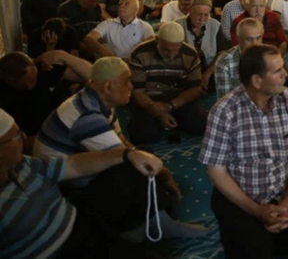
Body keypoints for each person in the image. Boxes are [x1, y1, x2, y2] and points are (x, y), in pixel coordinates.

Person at [32, 57, 207, 240]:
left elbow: (122, 141)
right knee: (134, 167)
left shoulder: (97, 100)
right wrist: (165, 176)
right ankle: (153, 224)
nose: (131, 86)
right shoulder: (86, 116)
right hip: (67, 196)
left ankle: (148, 218)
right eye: (127, 82)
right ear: (108, 87)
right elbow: (126, 156)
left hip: (80, 175)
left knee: (144, 155)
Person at [200, 45, 288, 259]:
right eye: (277, 71)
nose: (286, 75)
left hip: (283, 188)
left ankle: (275, 227)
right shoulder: (224, 111)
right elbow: (216, 171)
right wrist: (256, 210)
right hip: (243, 197)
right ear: (257, 80)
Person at [0, 107, 174, 258]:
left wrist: (127, 155)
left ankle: (155, 225)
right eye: (16, 136)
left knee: (129, 164)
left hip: (76, 217)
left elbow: (73, 165)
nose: (24, 138)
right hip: (60, 252)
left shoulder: (23, 163)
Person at [127, 23, 206, 145]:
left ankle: (170, 121)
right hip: (149, 100)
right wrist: (160, 112)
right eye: (167, 50)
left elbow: (195, 89)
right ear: (157, 40)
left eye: (176, 50)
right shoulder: (140, 53)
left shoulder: (190, 54)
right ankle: (166, 122)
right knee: (143, 134)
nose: (171, 55)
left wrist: (170, 106)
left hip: (178, 100)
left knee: (200, 124)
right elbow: (137, 91)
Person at [0, 51, 91, 140]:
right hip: (30, 140)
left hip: (68, 127)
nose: (29, 87)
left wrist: (63, 55)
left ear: (34, 65)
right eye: (21, 86)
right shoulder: (3, 92)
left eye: (32, 81)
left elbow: (94, 77)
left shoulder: (47, 68)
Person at [85, 0, 155, 60]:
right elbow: (89, 38)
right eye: (120, 4)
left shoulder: (145, 26)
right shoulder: (108, 23)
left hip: (134, 65)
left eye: (126, 4)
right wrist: (101, 49)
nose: (122, 6)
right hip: (113, 65)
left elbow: (151, 45)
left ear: (136, 9)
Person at [176, 0, 223, 89]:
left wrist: (207, 74)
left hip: (210, 70)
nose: (202, 19)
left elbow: (221, 52)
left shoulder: (215, 26)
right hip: (184, 72)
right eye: (198, 14)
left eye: (206, 15)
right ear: (190, 11)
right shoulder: (177, 26)